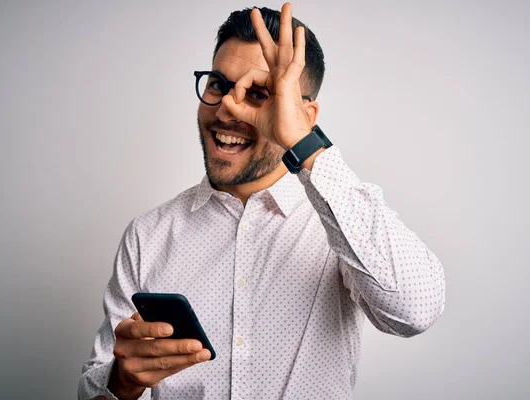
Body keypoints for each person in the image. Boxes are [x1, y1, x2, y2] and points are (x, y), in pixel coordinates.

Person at [78, 3, 446, 399]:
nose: (226, 108)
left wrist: (304, 143)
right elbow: (96, 388)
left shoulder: (344, 225)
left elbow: (414, 311)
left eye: (258, 94)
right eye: (218, 83)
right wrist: (122, 382)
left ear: (304, 114)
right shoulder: (147, 236)